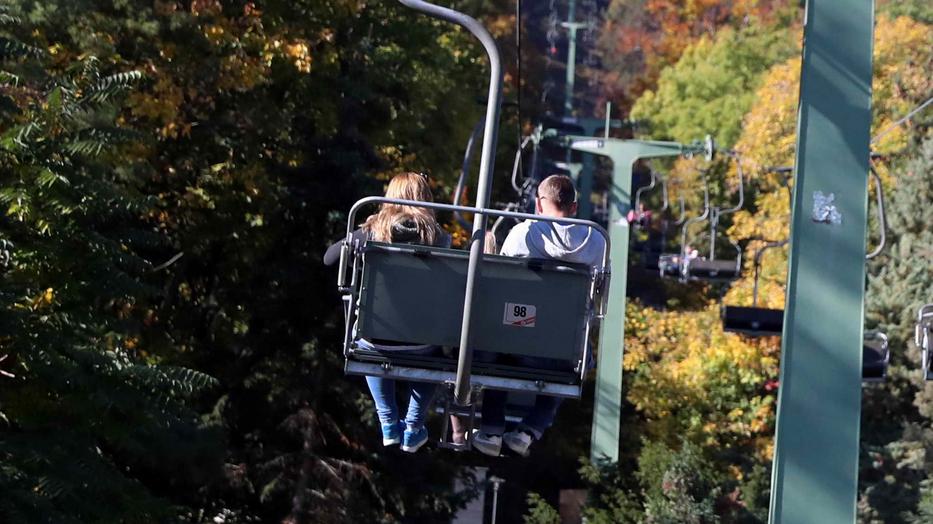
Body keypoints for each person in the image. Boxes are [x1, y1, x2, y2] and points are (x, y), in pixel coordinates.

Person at [472, 174, 605, 457]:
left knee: (501, 342)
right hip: (564, 351)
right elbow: (598, 295)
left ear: (538, 205)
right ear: (573, 207)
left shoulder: (522, 235)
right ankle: (531, 428)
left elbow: (501, 285)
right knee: (576, 356)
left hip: (520, 341)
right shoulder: (597, 242)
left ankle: (492, 427)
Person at [324, 172, 449, 453]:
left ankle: (388, 422)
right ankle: (414, 425)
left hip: (375, 334)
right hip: (421, 341)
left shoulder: (372, 232)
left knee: (372, 341)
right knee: (438, 359)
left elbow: (329, 257)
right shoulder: (439, 238)